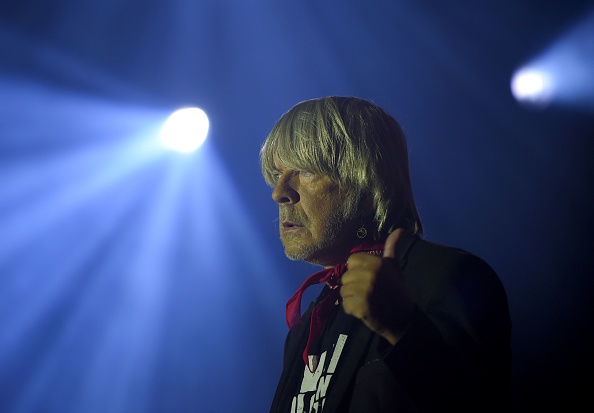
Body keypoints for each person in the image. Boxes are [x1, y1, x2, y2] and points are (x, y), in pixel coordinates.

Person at [260, 96, 512, 413]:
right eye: (277, 173)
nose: (278, 191)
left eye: (306, 170)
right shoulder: (308, 325)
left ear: (367, 184)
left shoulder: (448, 276)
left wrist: (404, 329)